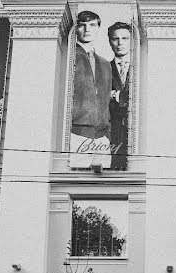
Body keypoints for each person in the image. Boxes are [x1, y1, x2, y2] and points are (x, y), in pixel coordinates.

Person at [71, 11, 112, 167]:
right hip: (77, 134)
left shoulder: (105, 64)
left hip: (102, 137)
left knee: (103, 186)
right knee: (76, 180)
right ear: (76, 28)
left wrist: (107, 134)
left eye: (92, 25)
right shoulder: (70, 56)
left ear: (98, 28)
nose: (87, 29)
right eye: (82, 25)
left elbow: (106, 100)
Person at [107, 22, 131, 171]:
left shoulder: (141, 67)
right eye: (116, 38)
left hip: (136, 131)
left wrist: (116, 94)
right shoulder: (103, 68)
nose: (120, 43)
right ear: (110, 41)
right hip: (112, 130)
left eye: (125, 38)